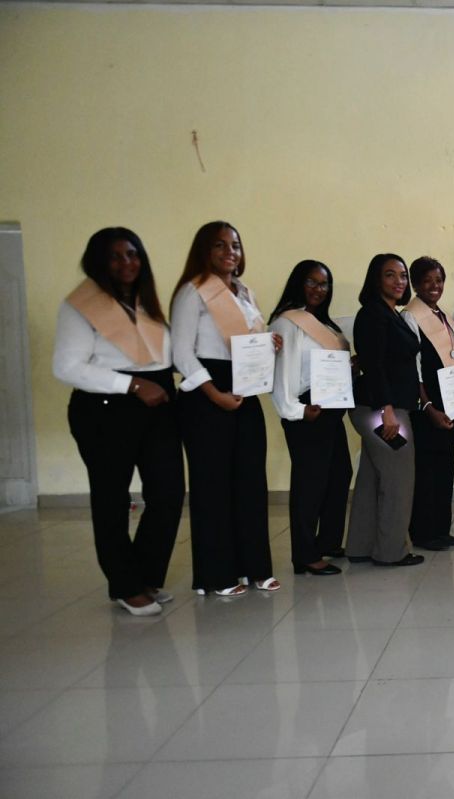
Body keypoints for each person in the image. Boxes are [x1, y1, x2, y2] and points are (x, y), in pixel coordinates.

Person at [53, 227, 184, 616]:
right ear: (98, 262)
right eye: (115, 256)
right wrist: (131, 385)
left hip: (158, 403)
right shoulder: (81, 306)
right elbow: (66, 367)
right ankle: (125, 585)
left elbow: (165, 356)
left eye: (132, 254)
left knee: (168, 493)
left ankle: (144, 576)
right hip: (106, 409)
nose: (127, 262)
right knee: (112, 499)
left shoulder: (145, 303)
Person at [171, 221, 280, 596]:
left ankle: (254, 568)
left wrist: (269, 343)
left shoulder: (245, 292)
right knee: (212, 486)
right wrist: (213, 392)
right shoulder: (192, 291)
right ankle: (216, 575)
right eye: (219, 245)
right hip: (206, 391)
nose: (229, 252)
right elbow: (181, 352)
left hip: (244, 387)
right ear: (204, 250)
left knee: (250, 482)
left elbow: (247, 342)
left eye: (235, 244)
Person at [268, 260, 352, 577]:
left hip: (330, 406)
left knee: (339, 474)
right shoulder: (288, 322)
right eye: (312, 282)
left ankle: (328, 541)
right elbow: (283, 372)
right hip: (307, 408)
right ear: (298, 283)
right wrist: (296, 409)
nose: (319, 289)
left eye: (324, 284)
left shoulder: (325, 324)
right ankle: (304, 555)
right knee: (310, 482)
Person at [345, 254, 425, 567]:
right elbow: (374, 365)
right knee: (398, 481)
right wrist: (387, 411)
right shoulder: (372, 314)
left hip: (382, 407)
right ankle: (392, 552)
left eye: (402, 275)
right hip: (381, 410)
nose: (399, 281)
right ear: (376, 279)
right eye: (390, 275)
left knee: (371, 479)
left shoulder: (389, 313)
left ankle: (360, 546)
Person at [401, 256, 454, 552]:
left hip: (451, 396)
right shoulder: (411, 316)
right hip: (429, 402)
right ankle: (423, 532)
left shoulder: (443, 315)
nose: (434, 286)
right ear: (416, 284)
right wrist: (427, 405)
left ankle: (441, 528)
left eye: (438, 280)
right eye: (427, 281)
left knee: (445, 465)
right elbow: (413, 367)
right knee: (427, 468)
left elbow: (453, 352)